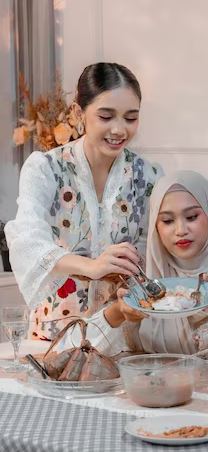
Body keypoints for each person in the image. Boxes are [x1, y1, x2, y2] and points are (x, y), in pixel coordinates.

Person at [6, 63, 160, 340]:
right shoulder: (45, 169)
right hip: (55, 334)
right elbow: (27, 241)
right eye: (106, 116)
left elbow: (158, 253)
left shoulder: (148, 176)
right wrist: (91, 266)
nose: (119, 129)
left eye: (130, 118)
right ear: (78, 113)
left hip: (122, 333)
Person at [68, 171, 208, 363]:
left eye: (192, 217)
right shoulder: (137, 286)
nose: (181, 230)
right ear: (155, 227)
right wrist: (118, 312)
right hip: (147, 386)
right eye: (167, 221)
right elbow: (71, 350)